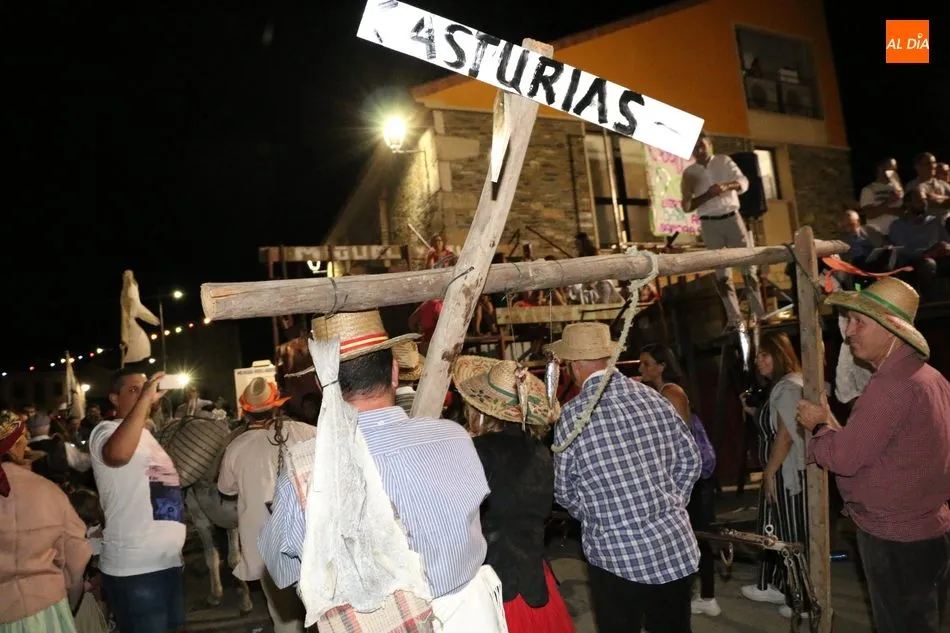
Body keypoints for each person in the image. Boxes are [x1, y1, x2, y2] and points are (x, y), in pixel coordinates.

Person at [259, 310, 505, 631]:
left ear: (322, 385)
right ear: (394, 373)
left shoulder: (307, 468)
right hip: (472, 617)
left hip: (380, 624)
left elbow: (282, 568)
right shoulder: (454, 436)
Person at [797, 278, 950, 633]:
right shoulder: (931, 378)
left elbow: (844, 458)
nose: (849, 332)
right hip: (932, 529)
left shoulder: (890, 387)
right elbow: (875, 448)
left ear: (890, 329)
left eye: (859, 322)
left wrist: (818, 426)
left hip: (895, 539)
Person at [550, 322, 700, 633]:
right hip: (673, 545)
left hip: (615, 555)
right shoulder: (654, 398)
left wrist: (598, 514)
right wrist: (671, 502)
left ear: (574, 366)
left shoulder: (573, 417)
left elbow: (564, 491)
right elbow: (691, 460)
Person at [453, 356, 575, 633]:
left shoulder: (476, 451)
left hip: (494, 581)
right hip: (533, 573)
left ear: (480, 409)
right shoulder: (541, 452)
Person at [88, 369, 186, 633]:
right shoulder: (105, 431)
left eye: (145, 388)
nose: (143, 394)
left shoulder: (146, 436)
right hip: (135, 568)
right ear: (114, 398)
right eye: (133, 390)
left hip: (165, 562)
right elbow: (117, 455)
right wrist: (145, 399)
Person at [218, 378, 315, 633]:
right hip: (312, 539)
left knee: (285, 619)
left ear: (245, 411)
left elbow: (226, 489)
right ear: (277, 406)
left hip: (266, 545)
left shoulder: (236, 447)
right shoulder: (307, 432)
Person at [639, 344, 720, 617]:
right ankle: (698, 594)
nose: (641, 368)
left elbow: (678, 439)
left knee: (696, 534)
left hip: (689, 477)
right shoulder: (663, 392)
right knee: (692, 533)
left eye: (647, 363)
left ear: (662, 366)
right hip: (684, 475)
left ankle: (705, 595)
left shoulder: (671, 393)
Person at [1, 410, 92, 633]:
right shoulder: (48, 491)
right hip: (45, 610)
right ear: (17, 445)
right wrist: (70, 595)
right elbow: (76, 554)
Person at [738, 332, 809, 619]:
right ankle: (781, 585)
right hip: (780, 468)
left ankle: (803, 599)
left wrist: (769, 472)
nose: (759, 361)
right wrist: (753, 412)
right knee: (775, 528)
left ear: (780, 355)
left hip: (786, 470)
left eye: (765, 355)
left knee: (792, 532)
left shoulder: (789, 387)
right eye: (757, 356)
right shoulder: (782, 386)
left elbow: (785, 436)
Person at [681, 130, 765, 330]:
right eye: (694, 147)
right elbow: (686, 206)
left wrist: (725, 186)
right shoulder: (689, 173)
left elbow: (744, 182)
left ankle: (759, 315)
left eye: (702, 145)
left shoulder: (723, 161)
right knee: (721, 273)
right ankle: (734, 318)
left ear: (709, 144)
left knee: (748, 266)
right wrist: (708, 195)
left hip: (732, 219)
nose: (699, 150)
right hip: (709, 224)